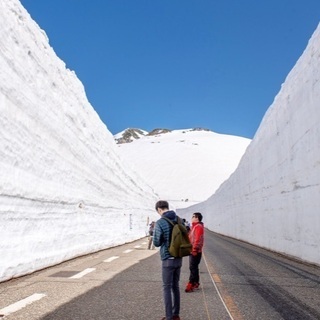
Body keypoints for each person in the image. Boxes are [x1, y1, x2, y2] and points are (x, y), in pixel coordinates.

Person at [153, 200, 182, 320]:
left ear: (159, 210)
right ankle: (176, 315)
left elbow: (157, 242)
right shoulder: (178, 219)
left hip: (167, 258)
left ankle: (169, 317)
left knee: (166, 287)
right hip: (179, 258)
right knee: (175, 286)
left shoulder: (160, 222)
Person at [185, 212, 204, 293]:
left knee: (193, 268)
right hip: (193, 250)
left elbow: (198, 239)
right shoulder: (194, 226)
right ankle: (196, 282)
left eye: (193, 216)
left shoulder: (198, 227)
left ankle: (191, 284)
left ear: (197, 218)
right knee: (194, 267)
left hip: (195, 251)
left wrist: (195, 249)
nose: (192, 218)